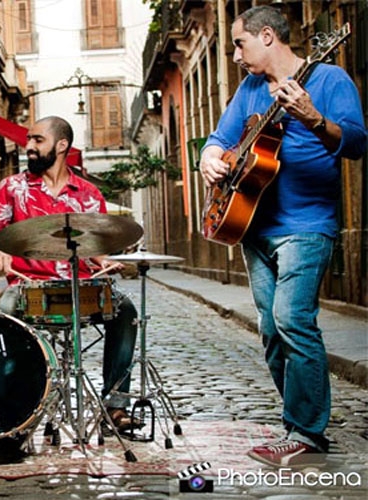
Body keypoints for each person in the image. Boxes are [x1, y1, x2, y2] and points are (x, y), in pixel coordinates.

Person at [200, 6, 367, 468]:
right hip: (253, 224)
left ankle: (306, 431)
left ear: (268, 36)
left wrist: (313, 118)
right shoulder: (251, 89)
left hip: (307, 224)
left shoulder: (330, 80)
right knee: (272, 331)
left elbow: (355, 142)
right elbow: (219, 136)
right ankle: (297, 422)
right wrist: (210, 157)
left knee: (293, 319)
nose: (235, 54)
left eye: (239, 43)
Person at [0, 116, 140, 453]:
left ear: (61, 145)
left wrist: (104, 261)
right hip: (27, 286)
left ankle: (115, 404)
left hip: (79, 289)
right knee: (6, 311)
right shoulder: (13, 187)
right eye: (29, 140)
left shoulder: (89, 195)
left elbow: (93, 249)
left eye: (37, 139)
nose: (29, 146)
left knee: (125, 310)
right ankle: (14, 411)